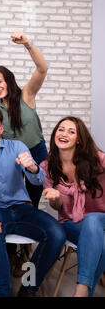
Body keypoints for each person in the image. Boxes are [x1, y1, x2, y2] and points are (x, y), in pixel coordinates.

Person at [0, 106, 65, 297]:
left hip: (23, 210)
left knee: (57, 233)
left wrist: (33, 168)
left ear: (1, 129)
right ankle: (3, 294)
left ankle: (27, 288)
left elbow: (38, 181)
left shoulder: (18, 147)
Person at [41, 116, 105, 297]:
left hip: (102, 218)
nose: (64, 134)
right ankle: (86, 291)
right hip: (71, 222)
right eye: (60, 129)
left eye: (71, 131)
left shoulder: (97, 160)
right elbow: (57, 206)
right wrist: (54, 197)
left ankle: (80, 291)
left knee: (93, 218)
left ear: (79, 139)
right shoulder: (47, 167)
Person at [0, 30, 49, 209]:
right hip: (10, 156)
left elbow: (42, 68)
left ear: (8, 79)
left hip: (35, 151)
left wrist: (27, 43)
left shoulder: (26, 94)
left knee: (34, 193)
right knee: (12, 197)